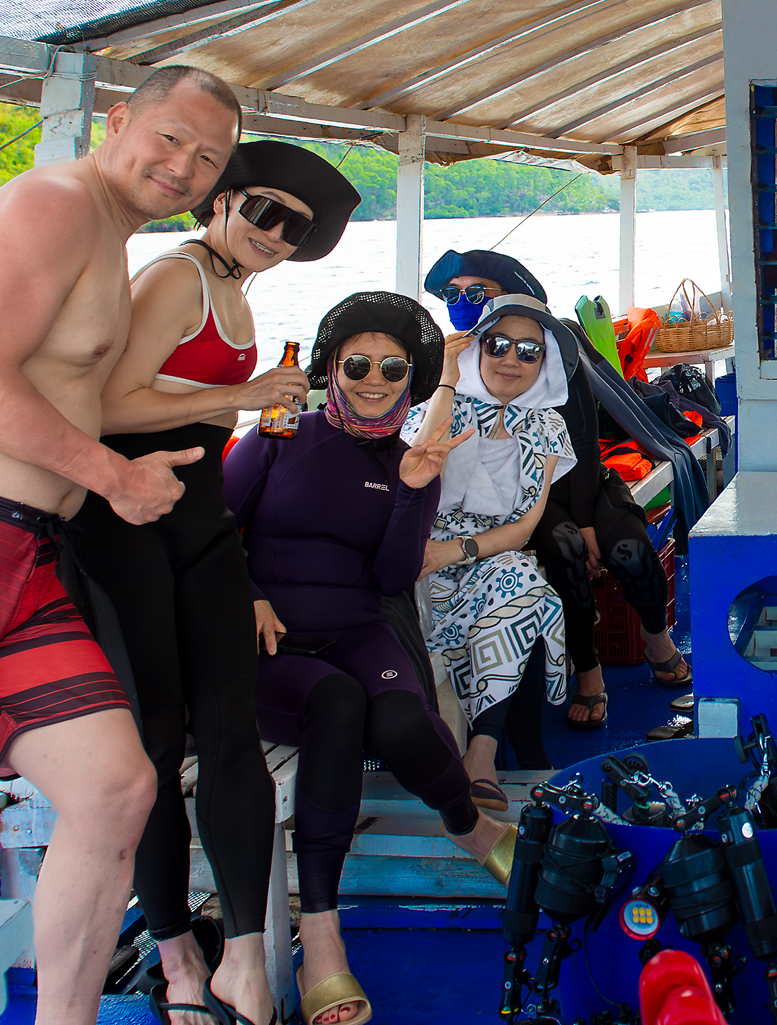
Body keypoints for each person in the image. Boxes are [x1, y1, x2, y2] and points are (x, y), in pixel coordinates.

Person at [0, 65, 240, 1025]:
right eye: (169, 138)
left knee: (115, 788)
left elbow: (71, 391)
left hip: (15, 559)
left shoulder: (109, 237)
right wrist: (114, 477)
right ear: (116, 121)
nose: (184, 166)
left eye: (208, 158)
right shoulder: (54, 203)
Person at [73, 141, 361, 1025]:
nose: (277, 233)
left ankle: (242, 959)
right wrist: (238, 400)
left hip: (200, 529)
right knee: (156, 748)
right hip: (125, 532)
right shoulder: (176, 277)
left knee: (232, 732)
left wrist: (252, 407)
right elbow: (105, 405)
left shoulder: (234, 289)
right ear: (223, 201)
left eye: (295, 227)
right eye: (264, 210)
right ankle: (177, 960)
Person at [224, 292, 513, 1025]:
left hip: (357, 626)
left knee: (405, 720)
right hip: (267, 642)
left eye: (392, 367)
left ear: (411, 376)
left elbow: (390, 578)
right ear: (331, 367)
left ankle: (468, 824)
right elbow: (213, 526)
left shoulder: (409, 459)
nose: (374, 379)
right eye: (357, 364)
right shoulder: (278, 434)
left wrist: (414, 490)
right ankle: (322, 938)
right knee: (336, 703)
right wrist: (247, 592)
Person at [423, 250, 690, 730]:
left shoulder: (551, 346)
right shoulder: (454, 362)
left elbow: (584, 441)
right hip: (524, 496)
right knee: (566, 551)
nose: (463, 304)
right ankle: (588, 670)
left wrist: (588, 521)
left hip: (582, 479)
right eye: (453, 295)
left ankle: (656, 638)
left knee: (629, 549)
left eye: (476, 293)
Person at [410, 294, 576, 807]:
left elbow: (523, 529)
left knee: (523, 581)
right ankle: (517, 754)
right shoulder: (440, 408)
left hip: (480, 558)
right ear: (474, 350)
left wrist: (454, 551)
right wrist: (445, 380)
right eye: (497, 345)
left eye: (529, 351)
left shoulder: (547, 427)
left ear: (544, 363)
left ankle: (482, 752)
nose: (511, 360)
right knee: (527, 590)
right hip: (414, 563)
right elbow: (416, 462)